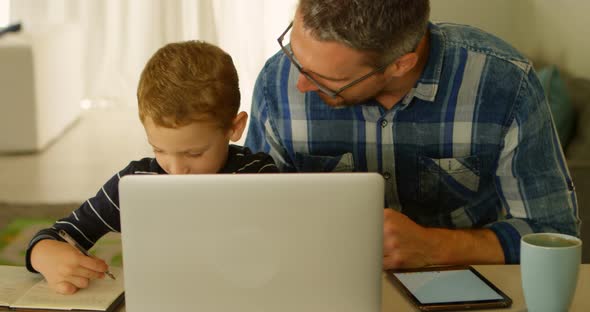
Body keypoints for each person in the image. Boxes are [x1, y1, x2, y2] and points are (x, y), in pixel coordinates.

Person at [245, 0, 580, 269]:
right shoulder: (277, 84)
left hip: (463, 283)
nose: (299, 83)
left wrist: (435, 247)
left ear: (400, 65)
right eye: (293, 53)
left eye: (323, 78)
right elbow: (253, 222)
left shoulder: (504, 84)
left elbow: (554, 236)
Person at [26, 41, 278, 294]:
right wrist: (44, 253)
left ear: (234, 128)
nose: (176, 170)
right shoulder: (137, 182)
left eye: (194, 153)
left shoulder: (257, 175)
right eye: (159, 150)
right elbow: (62, 233)